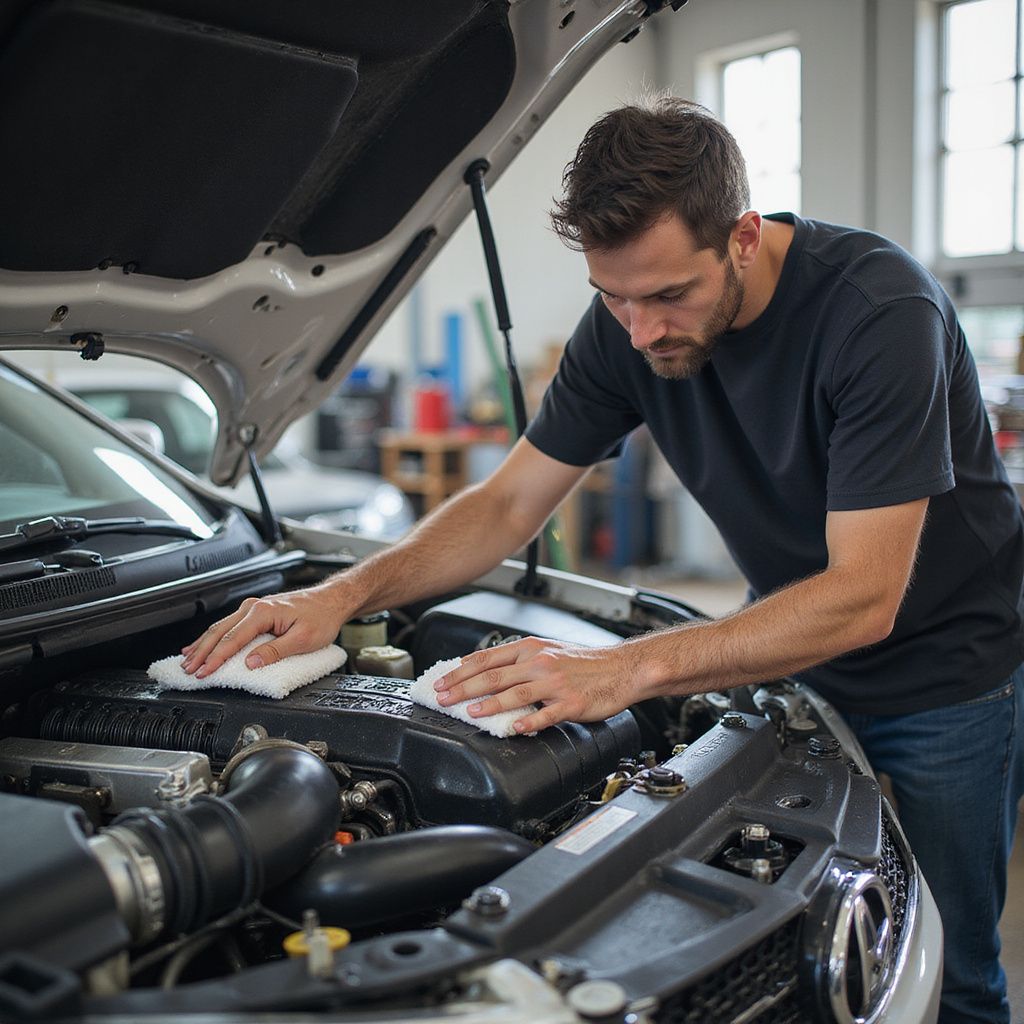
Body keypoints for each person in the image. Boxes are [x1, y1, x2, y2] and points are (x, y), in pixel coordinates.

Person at [182, 97, 1024, 1023]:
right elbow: (507, 503)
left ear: (743, 236)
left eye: (669, 295)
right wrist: (341, 595)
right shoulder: (626, 329)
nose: (642, 330)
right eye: (612, 297)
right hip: (783, 651)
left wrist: (625, 668)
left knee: (952, 964)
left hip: (947, 670)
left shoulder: (877, 312)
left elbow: (864, 596)